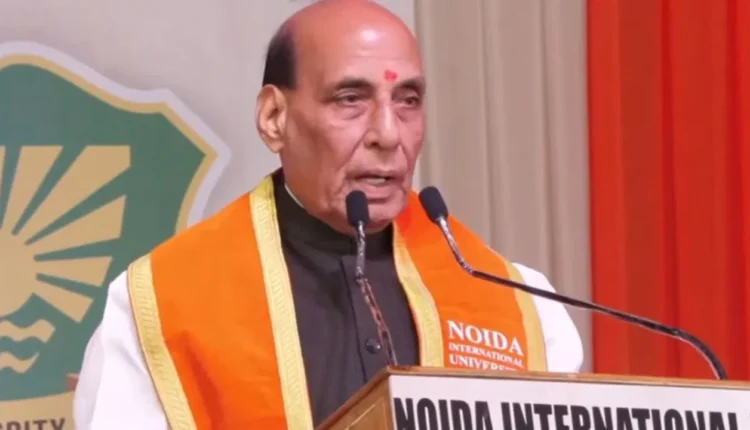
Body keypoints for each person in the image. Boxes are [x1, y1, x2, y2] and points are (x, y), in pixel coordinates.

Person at [72, 0, 583, 428]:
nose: (389, 134)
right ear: (274, 118)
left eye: (408, 100)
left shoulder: (514, 301)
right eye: (350, 99)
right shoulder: (163, 307)